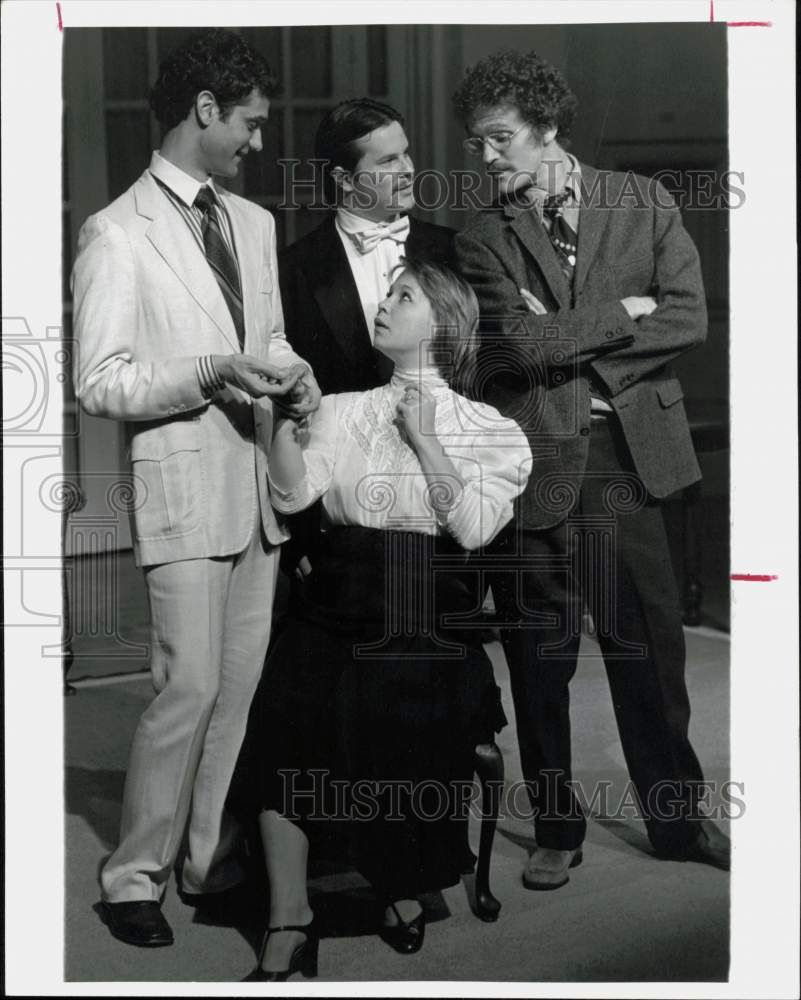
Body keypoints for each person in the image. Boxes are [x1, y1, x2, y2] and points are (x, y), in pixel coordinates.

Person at [452, 49, 730, 891]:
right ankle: (555, 828)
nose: (485, 156)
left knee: (648, 654)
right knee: (540, 661)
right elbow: (514, 343)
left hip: (629, 463)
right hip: (535, 466)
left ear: (544, 129)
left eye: (498, 138)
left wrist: (573, 334)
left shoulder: (642, 202)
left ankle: (676, 823)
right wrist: (619, 312)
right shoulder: (480, 238)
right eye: (476, 142)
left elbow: (685, 316)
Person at [71, 28, 320, 948]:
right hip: (181, 490)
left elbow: (272, 339)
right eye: (248, 123)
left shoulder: (249, 224)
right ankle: (130, 876)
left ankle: (205, 858)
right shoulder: (114, 232)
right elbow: (101, 382)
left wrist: (294, 376)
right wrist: (208, 371)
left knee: (238, 691)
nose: (258, 141)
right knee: (186, 687)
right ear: (204, 111)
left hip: (256, 485)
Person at [228, 258, 531, 980]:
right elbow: (296, 501)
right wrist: (279, 423)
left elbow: (474, 529)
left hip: (421, 615)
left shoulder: (487, 428)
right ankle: (288, 918)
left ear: (446, 322)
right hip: (334, 602)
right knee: (282, 715)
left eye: (404, 295)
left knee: (393, 716)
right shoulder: (339, 407)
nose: (384, 304)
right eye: (387, 292)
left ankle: (399, 881)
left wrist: (427, 441)